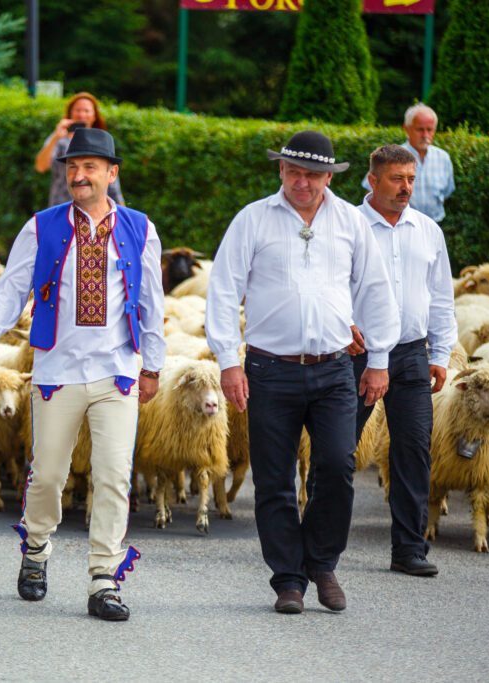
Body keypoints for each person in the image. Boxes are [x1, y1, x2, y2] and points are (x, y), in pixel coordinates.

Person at [0, 128, 164, 621]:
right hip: (56, 369)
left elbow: (151, 304)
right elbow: (12, 287)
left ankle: (104, 580)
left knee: (114, 475)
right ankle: (36, 550)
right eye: (72, 167)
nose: (79, 175)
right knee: (49, 474)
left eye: (90, 167)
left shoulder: (140, 227)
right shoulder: (42, 226)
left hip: (117, 372)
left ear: (111, 173)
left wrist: (154, 365)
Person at [205, 131, 400, 615]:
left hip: (335, 368)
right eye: (294, 171)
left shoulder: (351, 222)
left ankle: (322, 562)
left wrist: (379, 360)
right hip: (269, 369)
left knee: (335, 467)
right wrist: (229, 361)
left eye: (313, 174)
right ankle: (288, 579)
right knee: (273, 479)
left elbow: (375, 290)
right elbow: (224, 292)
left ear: (329, 177)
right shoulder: (253, 219)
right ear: (281, 171)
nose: (302, 182)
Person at [350, 144, 456, 577]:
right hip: (355, 355)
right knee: (337, 451)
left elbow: (442, 299)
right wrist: (341, 326)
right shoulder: (349, 225)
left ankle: (409, 550)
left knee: (413, 450)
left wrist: (442, 353)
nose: (406, 187)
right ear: (372, 180)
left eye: (411, 179)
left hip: (412, 353)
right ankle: (319, 546)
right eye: (397, 179)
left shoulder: (428, 230)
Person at [363, 103, 455, 222]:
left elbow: (446, 193)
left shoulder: (443, 158)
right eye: (420, 129)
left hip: (435, 225)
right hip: (398, 226)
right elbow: (372, 191)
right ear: (406, 129)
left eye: (430, 130)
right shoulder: (390, 157)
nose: (425, 135)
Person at [34, 92, 124, 207]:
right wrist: (56, 136)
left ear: (94, 115)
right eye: (78, 110)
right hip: (63, 206)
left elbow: (113, 183)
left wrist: (122, 213)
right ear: (70, 113)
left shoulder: (101, 140)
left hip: (97, 209)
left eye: (86, 111)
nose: (82, 115)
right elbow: (40, 167)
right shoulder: (60, 138)